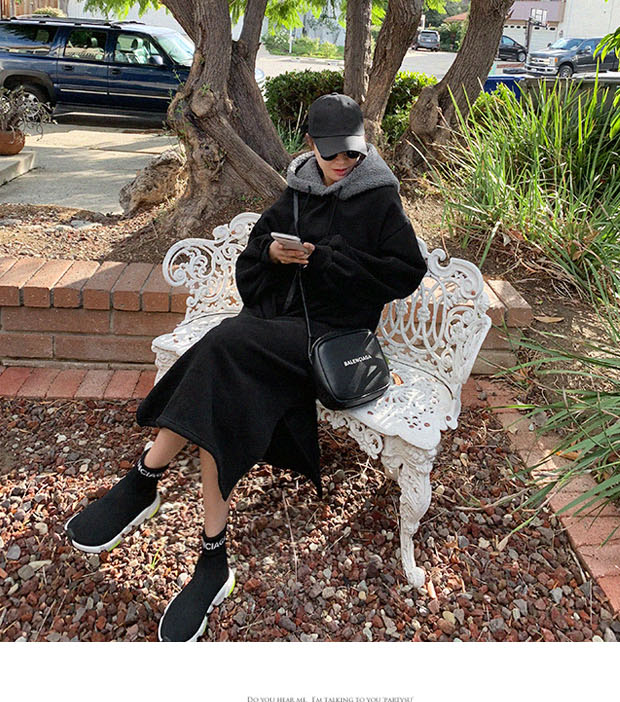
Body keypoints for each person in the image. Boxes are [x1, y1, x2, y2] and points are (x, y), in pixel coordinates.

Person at [65, 96, 427, 650]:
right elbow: (254, 255)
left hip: (332, 339)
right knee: (225, 376)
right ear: (311, 145)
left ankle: (145, 478)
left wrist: (329, 260)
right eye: (333, 154)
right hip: (273, 326)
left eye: (352, 154)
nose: (343, 164)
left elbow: (405, 273)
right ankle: (211, 560)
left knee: (224, 346)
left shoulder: (379, 196)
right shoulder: (297, 190)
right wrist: (275, 257)